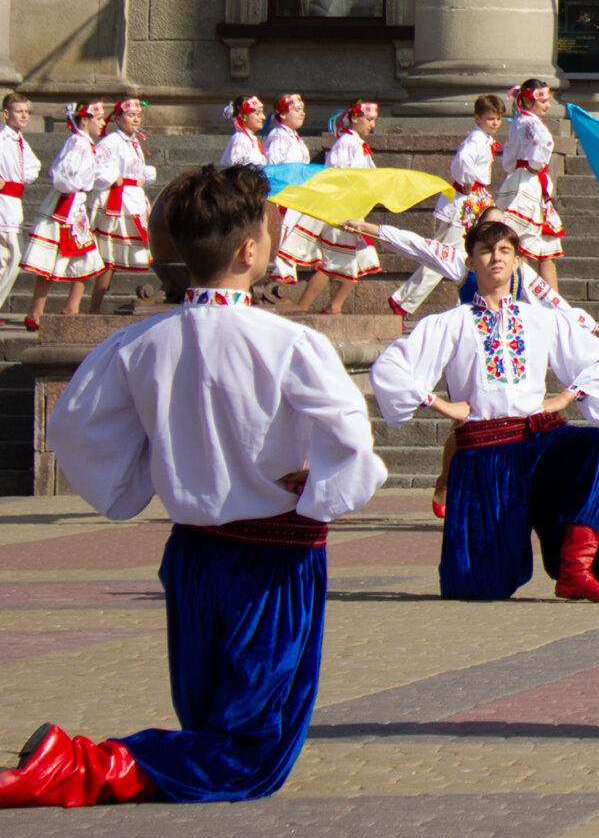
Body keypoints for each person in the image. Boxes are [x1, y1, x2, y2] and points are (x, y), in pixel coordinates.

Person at [0, 163, 385, 808]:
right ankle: (71, 765)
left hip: (193, 554)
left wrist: (142, 472)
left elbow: (74, 426)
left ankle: (82, 766)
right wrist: (324, 488)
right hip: (275, 556)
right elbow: (351, 438)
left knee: (210, 726)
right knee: (250, 755)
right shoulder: (290, 342)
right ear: (250, 249)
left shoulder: (137, 342)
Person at [364, 216, 599, 603]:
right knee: (478, 588)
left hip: (539, 439)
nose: (496, 258)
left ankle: (575, 570)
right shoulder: (450, 323)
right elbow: (390, 367)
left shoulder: (539, 319)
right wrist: (438, 403)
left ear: (516, 260)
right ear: (470, 261)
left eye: (505, 250)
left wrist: (566, 396)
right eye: (486, 250)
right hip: (485, 451)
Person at [391, 94, 505, 318]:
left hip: (473, 202)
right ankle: (404, 302)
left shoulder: (484, 140)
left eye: (498, 119)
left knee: (459, 256)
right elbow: (462, 161)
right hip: (465, 204)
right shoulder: (477, 140)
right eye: (490, 118)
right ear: (477, 118)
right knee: (444, 255)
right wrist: (468, 182)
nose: (494, 123)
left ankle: (461, 305)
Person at [22, 100, 107, 331]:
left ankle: (72, 307)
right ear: (84, 120)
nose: (102, 124)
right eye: (98, 119)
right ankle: (36, 311)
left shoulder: (86, 145)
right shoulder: (78, 144)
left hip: (75, 206)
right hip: (65, 206)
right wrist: (76, 185)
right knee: (53, 257)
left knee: (86, 256)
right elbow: (61, 175)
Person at [290, 105, 379, 316]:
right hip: (340, 208)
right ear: (355, 119)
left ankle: (334, 306)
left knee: (358, 259)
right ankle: (303, 305)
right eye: (369, 120)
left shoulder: (357, 144)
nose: (372, 125)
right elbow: (339, 175)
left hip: (352, 208)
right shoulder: (346, 143)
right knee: (335, 262)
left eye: (374, 120)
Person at [492, 81, 565, 290]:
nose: (547, 105)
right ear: (527, 101)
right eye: (543, 101)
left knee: (542, 249)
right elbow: (545, 142)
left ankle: (545, 304)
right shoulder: (531, 124)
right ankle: (517, 296)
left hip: (522, 179)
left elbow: (508, 155)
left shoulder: (518, 122)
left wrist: (519, 167)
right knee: (524, 246)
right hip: (529, 183)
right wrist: (535, 164)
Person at [89, 98, 157, 307]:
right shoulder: (112, 141)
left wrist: (143, 177)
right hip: (117, 202)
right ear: (118, 118)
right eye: (130, 115)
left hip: (132, 199)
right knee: (108, 256)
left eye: (138, 116)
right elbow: (96, 164)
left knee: (116, 255)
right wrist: (113, 176)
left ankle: (96, 303)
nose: (136, 119)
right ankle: (93, 305)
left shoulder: (135, 142)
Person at [262, 97, 313, 290]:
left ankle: (282, 277)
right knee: (282, 234)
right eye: (297, 109)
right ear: (282, 114)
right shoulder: (277, 136)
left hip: (296, 196)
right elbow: (273, 168)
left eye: (303, 109)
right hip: (283, 195)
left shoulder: (295, 138)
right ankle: (275, 277)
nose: (302, 113)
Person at [0, 92, 40, 315]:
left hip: (14, 204)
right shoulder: (2, 139)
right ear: (6, 114)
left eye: (27, 112)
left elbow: (33, 167)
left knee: (7, 259)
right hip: (3, 203)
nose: (24, 116)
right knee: (12, 257)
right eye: (19, 111)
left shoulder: (20, 141)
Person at [213, 97, 265, 171]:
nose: (263, 117)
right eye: (258, 113)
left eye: (262, 113)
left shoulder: (251, 140)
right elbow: (235, 169)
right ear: (244, 116)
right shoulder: (240, 139)